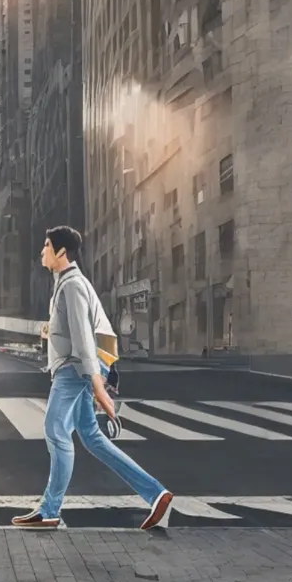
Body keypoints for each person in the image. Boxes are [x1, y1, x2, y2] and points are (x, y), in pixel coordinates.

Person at [11, 225, 173, 530]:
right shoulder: (67, 284)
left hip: (75, 370)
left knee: (55, 430)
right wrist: (52, 332)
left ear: (61, 252)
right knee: (92, 437)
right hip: (78, 367)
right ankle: (156, 493)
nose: (41, 251)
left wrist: (99, 387)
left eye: (46, 246)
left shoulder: (71, 285)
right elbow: (75, 331)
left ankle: (49, 511)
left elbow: (85, 339)